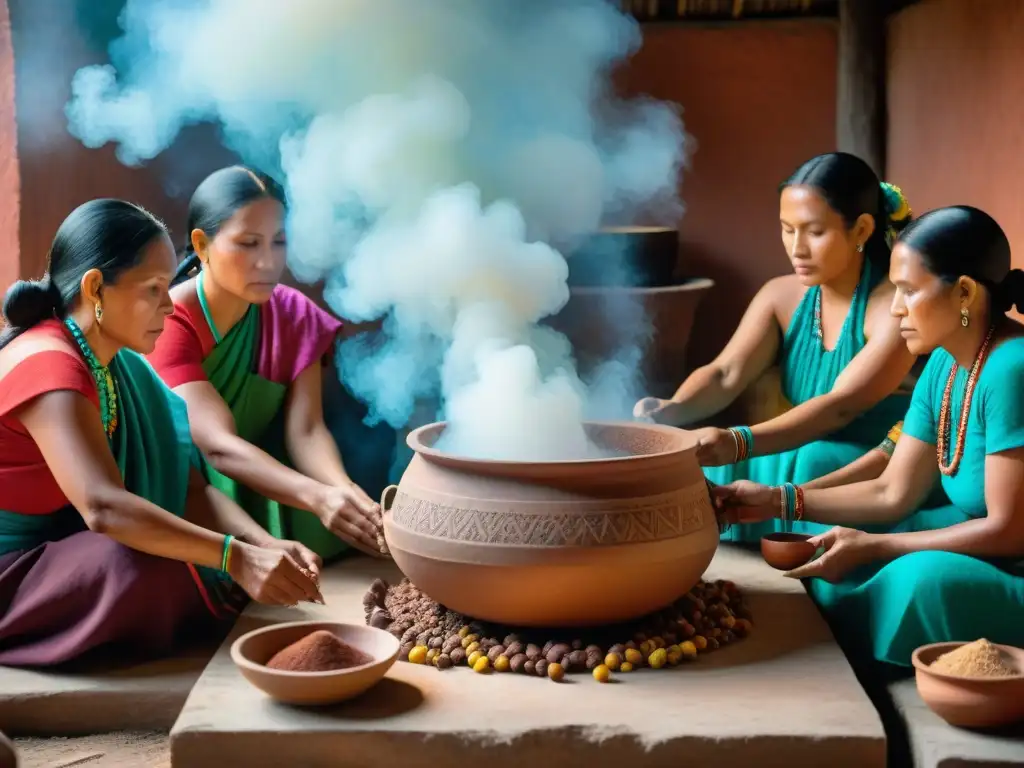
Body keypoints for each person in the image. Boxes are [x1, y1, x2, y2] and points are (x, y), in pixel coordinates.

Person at [0, 199, 322, 667]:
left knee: (176, 552)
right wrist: (235, 557)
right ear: (95, 288)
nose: (170, 306)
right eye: (153, 289)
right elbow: (105, 507)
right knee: (140, 564)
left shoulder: (117, 366)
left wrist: (261, 544)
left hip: (56, 546)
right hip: (12, 568)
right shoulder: (51, 364)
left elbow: (189, 487)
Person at [714, 206, 1024, 666]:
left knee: (918, 577)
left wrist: (879, 546)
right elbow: (890, 492)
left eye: (908, 290)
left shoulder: (1011, 368)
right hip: (978, 541)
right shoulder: (943, 363)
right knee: (848, 537)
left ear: (963, 293)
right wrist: (775, 501)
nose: (895, 307)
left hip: (1013, 561)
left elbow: (1009, 531)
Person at [635, 152, 918, 543]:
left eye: (814, 232)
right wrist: (671, 412)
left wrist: (739, 441)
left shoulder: (895, 308)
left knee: (810, 459)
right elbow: (726, 373)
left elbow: (842, 405)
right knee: (699, 466)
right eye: (787, 229)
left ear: (862, 230)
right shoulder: (780, 295)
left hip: (869, 465)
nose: (796, 248)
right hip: (795, 446)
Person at [147, 166, 380, 562]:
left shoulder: (294, 314)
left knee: (337, 530)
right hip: (192, 489)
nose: (267, 262)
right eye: (248, 243)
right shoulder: (166, 322)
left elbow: (305, 430)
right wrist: (318, 497)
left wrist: (344, 495)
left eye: (278, 242)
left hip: (266, 476)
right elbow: (218, 448)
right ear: (202, 246)